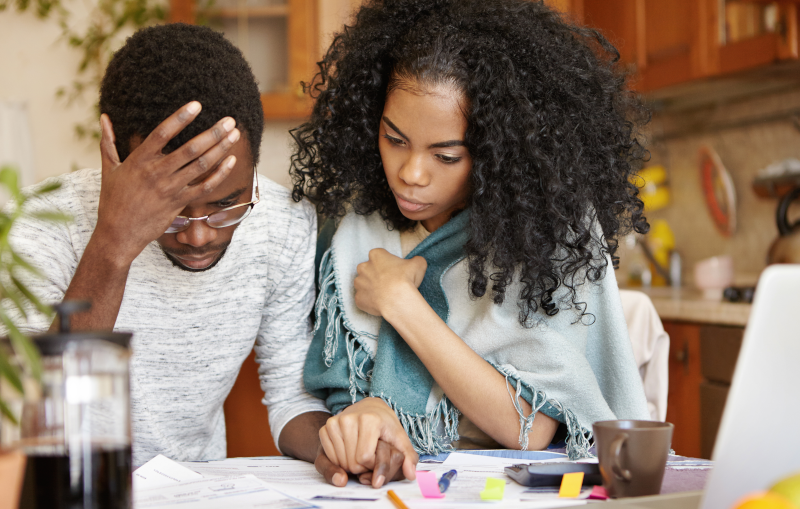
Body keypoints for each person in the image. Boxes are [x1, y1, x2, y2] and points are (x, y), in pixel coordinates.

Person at [292, 0, 652, 488]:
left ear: (499, 153)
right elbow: (327, 400)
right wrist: (364, 421)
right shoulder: (353, 233)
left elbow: (529, 426)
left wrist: (402, 303)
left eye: (445, 155)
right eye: (394, 139)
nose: (410, 174)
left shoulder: (547, 235)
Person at [9, 23, 331, 467]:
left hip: (198, 491)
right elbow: (33, 419)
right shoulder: (41, 222)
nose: (199, 235)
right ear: (115, 160)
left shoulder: (285, 224)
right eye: (171, 209)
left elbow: (290, 394)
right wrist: (113, 242)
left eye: (227, 204)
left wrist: (339, 451)